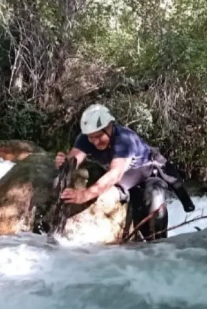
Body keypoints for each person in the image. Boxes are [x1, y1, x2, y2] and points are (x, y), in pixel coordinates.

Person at [54, 103, 195, 241]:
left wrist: (85, 195)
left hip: (148, 176)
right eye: (91, 137)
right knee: (139, 215)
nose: (95, 142)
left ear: (109, 128)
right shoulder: (85, 139)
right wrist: (64, 162)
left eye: (98, 136)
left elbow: (115, 174)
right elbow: (74, 159)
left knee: (154, 198)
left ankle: (160, 247)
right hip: (128, 181)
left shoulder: (123, 140)